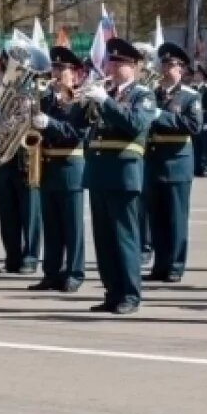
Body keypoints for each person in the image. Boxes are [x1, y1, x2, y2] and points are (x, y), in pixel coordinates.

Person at [70, 38, 158, 314]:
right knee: (104, 238)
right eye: (111, 61)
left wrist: (105, 101)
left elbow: (134, 124)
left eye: (118, 62)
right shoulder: (104, 92)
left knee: (124, 237)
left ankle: (130, 294)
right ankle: (112, 291)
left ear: (132, 67)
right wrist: (81, 100)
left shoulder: (143, 95)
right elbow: (77, 125)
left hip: (124, 172)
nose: (111, 66)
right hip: (98, 172)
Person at [29, 46, 89, 292]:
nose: (56, 73)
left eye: (62, 69)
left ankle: (74, 273)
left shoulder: (82, 102)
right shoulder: (44, 100)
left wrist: (50, 123)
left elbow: (76, 134)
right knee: (51, 224)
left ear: (75, 74)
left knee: (72, 226)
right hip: (48, 165)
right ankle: (51, 272)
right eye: (54, 68)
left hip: (70, 165)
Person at [143, 42, 204, 284]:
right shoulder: (153, 93)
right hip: (154, 160)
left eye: (172, 65)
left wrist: (162, 116)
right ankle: (160, 264)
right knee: (156, 217)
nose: (166, 69)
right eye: (164, 64)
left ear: (182, 70)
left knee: (176, 218)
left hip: (177, 162)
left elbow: (194, 126)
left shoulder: (190, 96)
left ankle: (176, 266)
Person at [0, 52, 44, 278]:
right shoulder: (4, 92)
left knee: (30, 212)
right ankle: (12, 257)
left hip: (26, 157)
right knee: (7, 212)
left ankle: (30, 257)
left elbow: (40, 123)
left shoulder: (37, 92)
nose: (13, 72)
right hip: (5, 157)